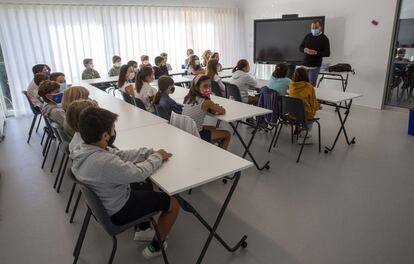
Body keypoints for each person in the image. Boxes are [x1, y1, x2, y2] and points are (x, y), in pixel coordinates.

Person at [70, 107, 179, 259]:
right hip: (118, 211)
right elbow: (138, 173)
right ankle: (156, 246)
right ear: (105, 135)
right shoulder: (103, 162)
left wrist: (149, 152)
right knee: (172, 203)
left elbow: (119, 155)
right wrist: (157, 157)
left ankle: (143, 228)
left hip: (104, 203)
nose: (115, 131)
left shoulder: (84, 148)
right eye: (113, 128)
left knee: (149, 185)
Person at [182, 74, 231, 149]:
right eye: (205, 86)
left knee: (213, 128)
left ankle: (208, 148)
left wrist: (212, 105)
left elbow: (211, 110)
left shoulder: (188, 97)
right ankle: (221, 155)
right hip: (196, 134)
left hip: (187, 129)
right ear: (197, 87)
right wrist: (210, 100)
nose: (208, 88)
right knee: (227, 134)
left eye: (210, 86)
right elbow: (223, 111)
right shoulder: (206, 102)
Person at [288, 67, 319, 144]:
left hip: (292, 114)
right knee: (311, 111)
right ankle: (304, 132)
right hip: (304, 116)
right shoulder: (309, 87)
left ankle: (298, 129)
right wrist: (318, 107)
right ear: (306, 75)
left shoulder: (291, 85)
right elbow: (313, 103)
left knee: (300, 106)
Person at [299, 19, 330, 86]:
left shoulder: (324, 39)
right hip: (304, 66)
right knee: (301, 86)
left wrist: (316, 53)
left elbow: (327, 53)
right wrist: (304, 49)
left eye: (316, 28)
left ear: (320, 27)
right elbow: (300, 48)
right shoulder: (308, 36)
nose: (314, 29)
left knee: (311, 87)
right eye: (312, 28)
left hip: (314, 67)